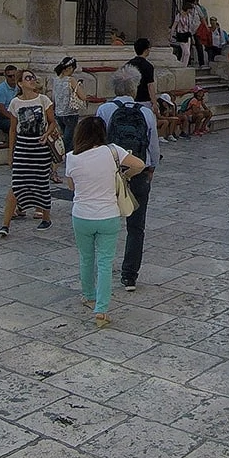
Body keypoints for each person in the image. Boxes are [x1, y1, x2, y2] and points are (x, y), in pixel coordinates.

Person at [65, 115, 149, 328]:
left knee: (86, 258)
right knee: (105, 262)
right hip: (108, 215)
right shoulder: (113, 151)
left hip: (82, 215)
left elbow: (71, 187)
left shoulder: (72, 157)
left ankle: (88, 295)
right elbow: (140, 164)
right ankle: (101, 310)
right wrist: (124, 175)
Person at [96, 66, 159, 291]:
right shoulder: (146, 113)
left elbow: (98, 143)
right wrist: (150, 170)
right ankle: (129, 275)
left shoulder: (104, 110)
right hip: (138, 171)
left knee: (106, 224)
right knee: (136, 226)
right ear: (135, 87)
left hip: (110, 173)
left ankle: (102, 269)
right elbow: (152, 145)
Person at [0, 69, 57, 237]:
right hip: (23, 147)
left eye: (33, 77)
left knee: (41, 183)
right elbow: (12, 130)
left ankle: (46, 217)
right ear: (20, 83)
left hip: (40, 147)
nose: (32, 80)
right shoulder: (15, 103)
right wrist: (11, 153)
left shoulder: (43, 100)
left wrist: (47, 134)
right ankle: (5, 224)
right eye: (28, 78)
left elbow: (53, 122)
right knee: (16, 184)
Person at [50, 58, 89, 154]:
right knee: (69, 140)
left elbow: (53, 97)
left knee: (66, 137)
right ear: (70, 68)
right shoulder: (71, 80)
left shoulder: (55, 80)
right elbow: (83, 96)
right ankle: (64, 157)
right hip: (70, 113)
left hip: (59, 114)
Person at [126, 39, 155, 105]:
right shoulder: (148, 66)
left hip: (131, 99)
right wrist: (154, 102)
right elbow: (150, 85)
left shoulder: (129, 64)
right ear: (146, 50)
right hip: (144, 100)